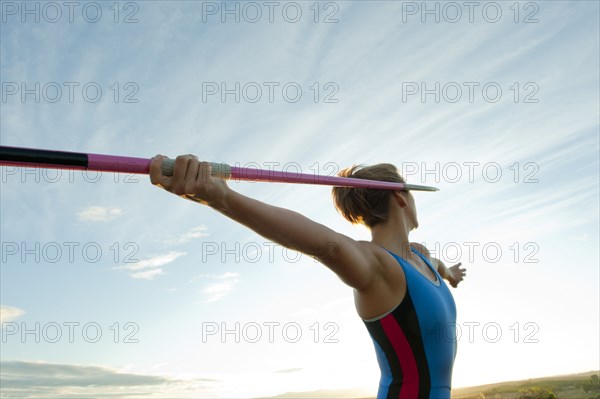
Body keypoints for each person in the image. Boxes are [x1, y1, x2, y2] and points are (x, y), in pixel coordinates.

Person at [149, 156, 467, 399]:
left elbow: (437, 267)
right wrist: (221, 197)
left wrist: (451, 274)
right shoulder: (378, 268)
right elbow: (316, 239)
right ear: (400, 196)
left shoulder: (421, 255)